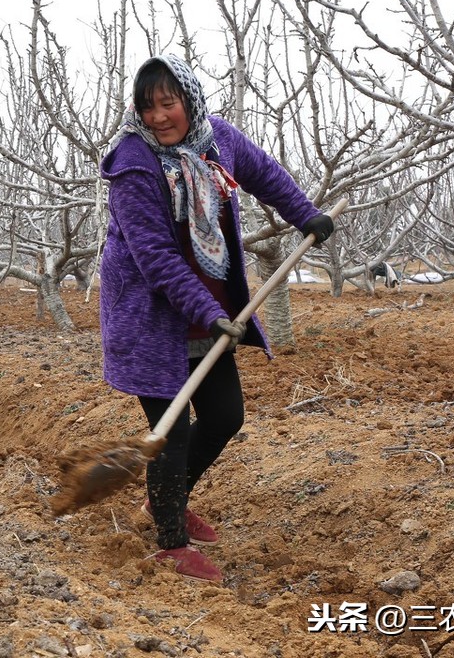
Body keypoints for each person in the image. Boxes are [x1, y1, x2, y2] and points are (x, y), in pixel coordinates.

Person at [100, 54, 334, 583]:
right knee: (172, 429)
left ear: (189, 99)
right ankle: (170, 541)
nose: (158, 116)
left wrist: (306, 216)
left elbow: (264, 173)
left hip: (209, 307)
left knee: (225, 416)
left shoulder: (216, 139)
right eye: (148, 107)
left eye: (168, 103)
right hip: (152, 316)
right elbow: (156, 258)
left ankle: (163, 501)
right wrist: (209, 312)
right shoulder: (133, 164)